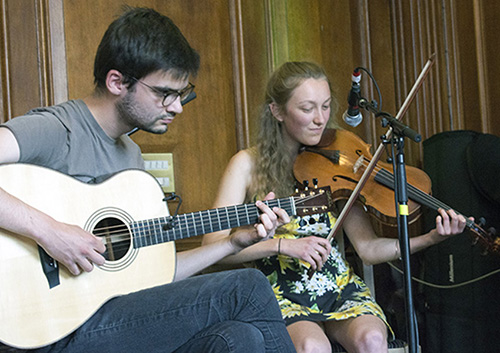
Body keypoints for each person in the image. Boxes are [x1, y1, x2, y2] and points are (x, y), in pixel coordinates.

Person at [0, 7, 296, 353]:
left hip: (106, 321)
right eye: (164, 94)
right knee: (247, 287)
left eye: (181, 94)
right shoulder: (57, 129)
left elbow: (153, 274)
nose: (177, 107)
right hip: (45, 330)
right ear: (117, 82)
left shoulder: (131, 160)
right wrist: (51, 233)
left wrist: (234, 243)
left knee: (238, 339)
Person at [202, 61, 469, 353]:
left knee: (372, 340)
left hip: (338, 286)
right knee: (312, 347)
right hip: (279, 291)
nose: (320, 119)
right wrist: (283, 246)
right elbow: (213, 245)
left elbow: (367, 249)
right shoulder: (246, 164)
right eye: (307, 108)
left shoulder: (337, 166)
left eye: (326, 106)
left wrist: (432, 238)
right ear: (277, 111)